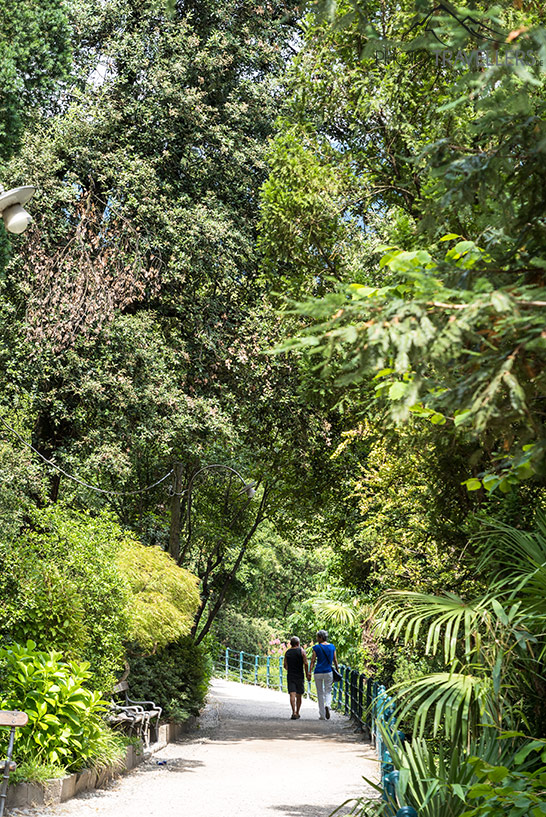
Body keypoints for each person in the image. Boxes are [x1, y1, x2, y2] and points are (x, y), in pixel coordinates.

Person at [308, 629, 339, 720]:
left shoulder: (316, 648)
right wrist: (337, 670)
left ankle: (322, 715)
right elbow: (335, 660)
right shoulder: (332, 647)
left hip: (318, 672)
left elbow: (313, 660)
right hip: (328, 672)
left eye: (317, 637)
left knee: (320, 693)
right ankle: (328, 706)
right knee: (328, 691)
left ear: (321, 637)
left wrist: (310, 671)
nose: (317, 639)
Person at [283, 636, 309, 720]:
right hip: (299, 675)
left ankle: (293, 712)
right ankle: (297, 712)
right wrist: (307, 673)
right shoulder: (302, 651)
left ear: (291, 644)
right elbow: (306, 663)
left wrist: (289, 668)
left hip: (290, 675)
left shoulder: (287, 653)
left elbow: (285, 665)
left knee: (292, 694)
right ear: (298, 643)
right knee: (299, 695)